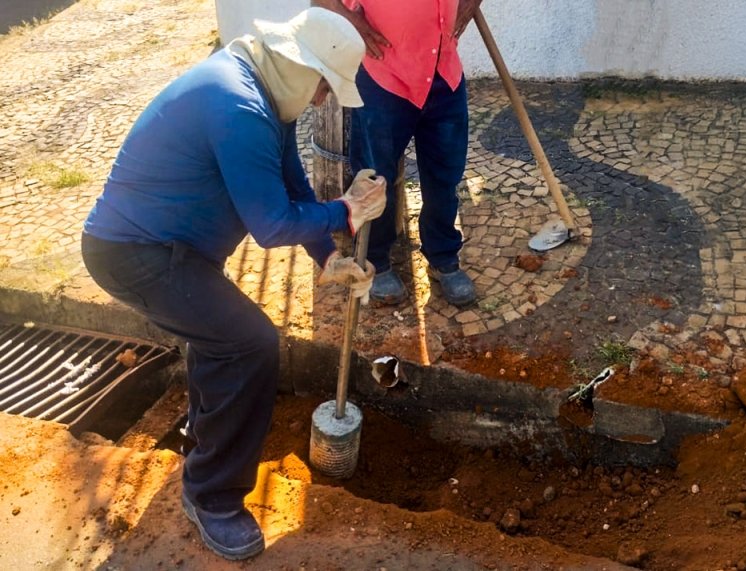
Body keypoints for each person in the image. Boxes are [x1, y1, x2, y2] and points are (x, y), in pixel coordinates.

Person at [81, 8, 386, 561]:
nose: (322, 101)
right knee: (249, 343)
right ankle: (213, 496)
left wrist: (326, 256)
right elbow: (270, 224)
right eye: (323, 86)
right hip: (136, 255)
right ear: (300, 67)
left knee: (216, 338)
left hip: (177, 250)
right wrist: (345, 211)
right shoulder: (239, 105)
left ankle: (205, 435)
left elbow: (288, 182)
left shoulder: (261, 87)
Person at [312, 0, 482, 306]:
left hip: (444, 73)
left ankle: (443, 257)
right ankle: (376, 260)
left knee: (445, 175)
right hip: (384, 76)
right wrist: (351, 20)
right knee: (376, 178)